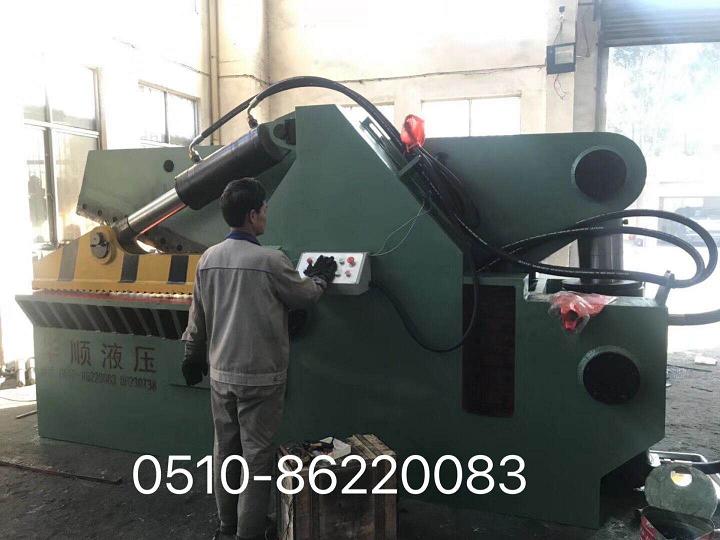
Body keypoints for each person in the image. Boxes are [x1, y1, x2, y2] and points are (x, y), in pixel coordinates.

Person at [181, 178, 337, 540]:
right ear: (252, 216)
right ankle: (249, 533)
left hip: (221, 376)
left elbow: (197, 316)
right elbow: (305, 296)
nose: (266, 212)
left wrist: (191, 354)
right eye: (264, 207)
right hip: (261, 380)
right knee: (257, 459)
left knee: (225, 452)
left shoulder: (209, 258)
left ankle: (227, 527)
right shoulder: (270, 260)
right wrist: (321, 278)